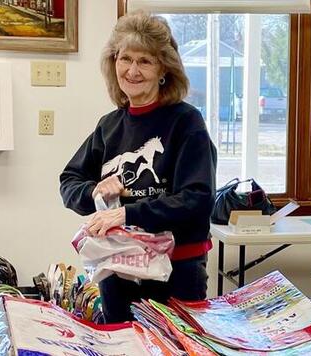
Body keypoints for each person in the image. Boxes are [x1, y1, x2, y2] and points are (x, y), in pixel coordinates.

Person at [59, 11, 217, 323]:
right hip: (116, 272)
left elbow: (197, 199)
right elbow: (68, 181)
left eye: (144, 60)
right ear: (113, 63)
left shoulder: (187, 123)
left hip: (176, 273)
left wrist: (127, 213)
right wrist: (94, 190)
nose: (132, 70)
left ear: (163, 69)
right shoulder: (109, 126)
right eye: (125, 58)